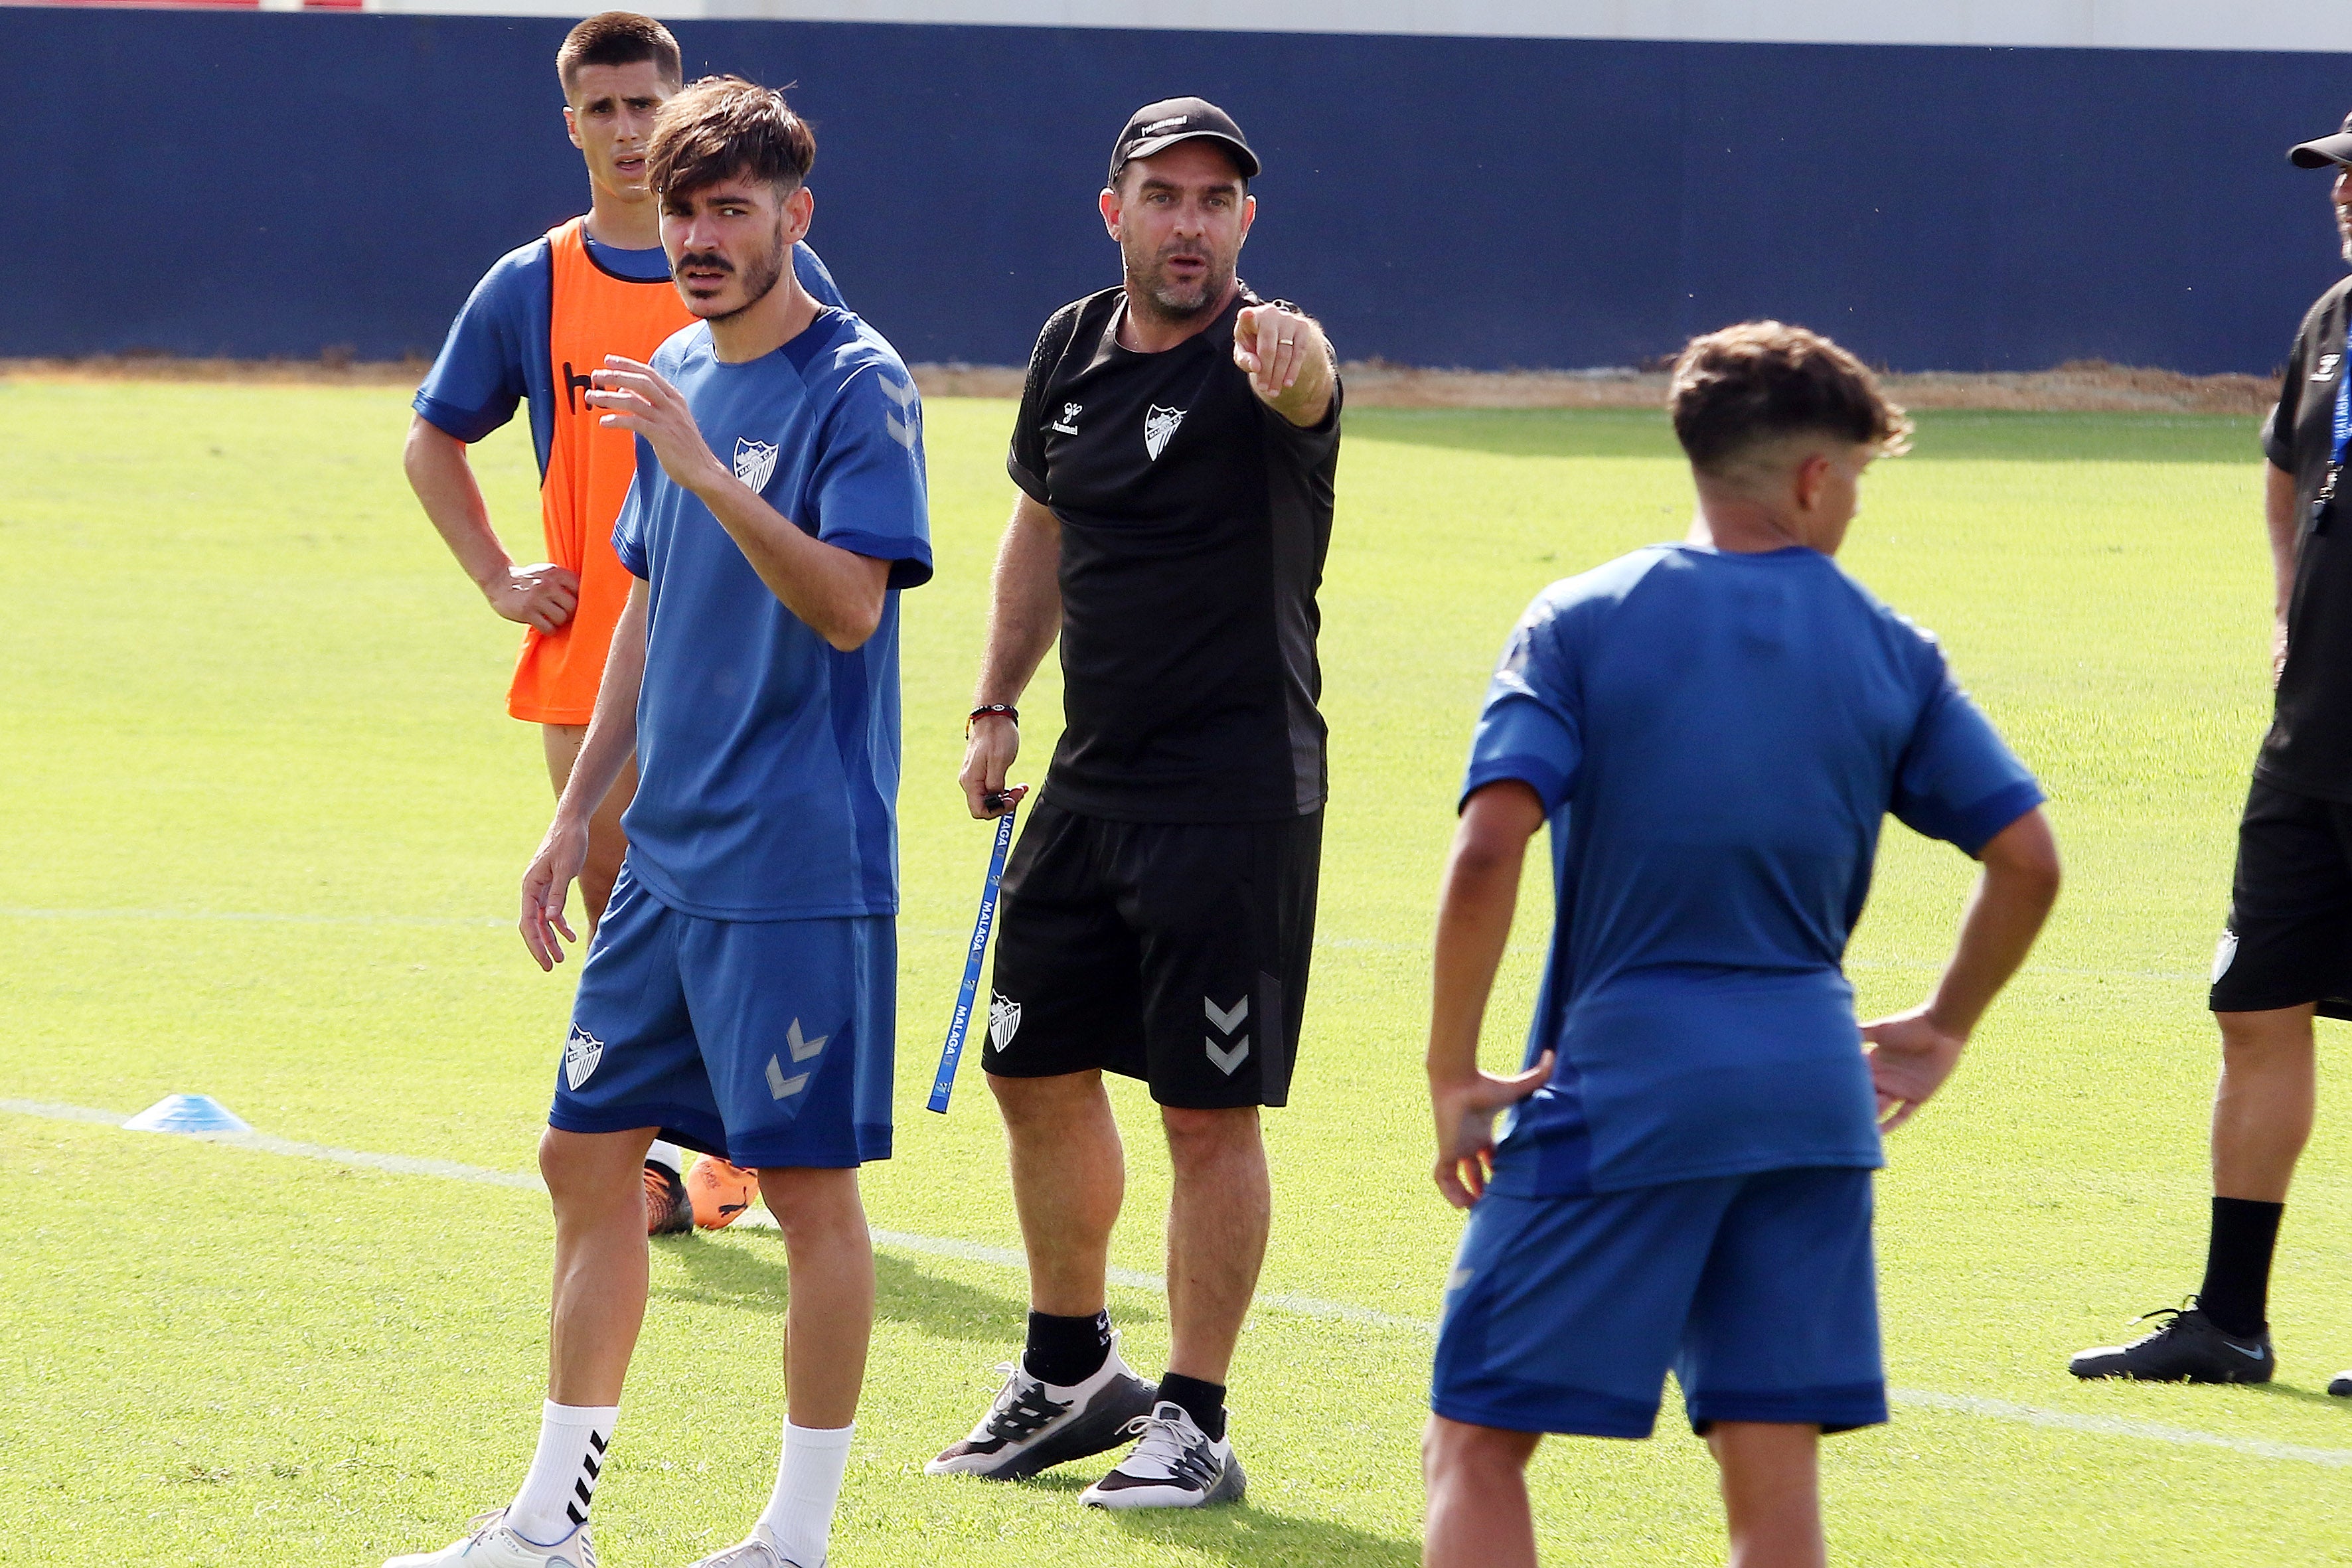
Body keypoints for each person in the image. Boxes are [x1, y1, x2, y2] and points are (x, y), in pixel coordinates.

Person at [386, 76, 931, 1568]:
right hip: (665, 858)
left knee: (811, 1195)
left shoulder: (856, 383)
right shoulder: (677, 360)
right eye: (683, 209)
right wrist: (574, 816)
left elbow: (848, 605)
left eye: (731, 209)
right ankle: (549, 1525)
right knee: (582, 1160)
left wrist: (702, 465)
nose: (698, 234)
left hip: (797, 866)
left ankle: (793, 1539)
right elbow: (639, 611)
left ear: (792, 217)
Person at [1419, 322, 2060, 1568]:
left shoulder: (1581, 618)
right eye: (1860, 479)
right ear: (1817, 477)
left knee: (1478, 1438)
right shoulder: (1894, 647)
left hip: (1626, 1083)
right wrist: (1942, 1028)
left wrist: (1456, 1072)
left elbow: (1490, 849)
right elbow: (2029, 859)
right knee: (1773, 1480)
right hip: (1815, 1091)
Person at [929, 97, 1340, 1509]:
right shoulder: (1068, 344)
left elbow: (1309, 382)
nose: (1189, 222)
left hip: (1233, 797)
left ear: (1245, 221)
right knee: (1026, 1065)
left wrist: (1296, 356)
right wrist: (995, 700)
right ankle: (1071, 1369)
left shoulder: (1267, 357)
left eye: (1216, 200)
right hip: (1088, 782)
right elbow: (1041, 520)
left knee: (1204, 1111)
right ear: (1113, 211)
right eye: (1162, 196)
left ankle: (1198, 1416)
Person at [403, 11, 846, 1235]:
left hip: (734, 658)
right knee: (619, 902)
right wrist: (501, 576)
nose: (627, 130)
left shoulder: (767, 271)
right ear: (572, 125)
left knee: (715, 904)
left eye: (644, 104)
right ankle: (659, 1139)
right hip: (591, 649)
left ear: (677, 104)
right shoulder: (535, 279)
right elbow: (431, 438)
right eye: (601, 109)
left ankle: (731, 1144)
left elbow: (828, 418)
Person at [2071, 112, 2352, 1396]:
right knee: (2254, 1007)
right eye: (2338, 175)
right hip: (2310, 742)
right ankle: (2229, 1321)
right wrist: (2286, 611)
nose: (2342, 193)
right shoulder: (2332, 318)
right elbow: (2290, 471)